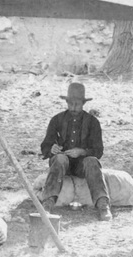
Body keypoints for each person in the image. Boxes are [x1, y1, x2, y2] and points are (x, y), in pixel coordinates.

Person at [40, 82, 112, 221]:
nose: (73, 107)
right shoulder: (56, 120)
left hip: (82, 166)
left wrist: (82, 152)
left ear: (83, 104)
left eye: (77, 104)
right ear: (66, 102)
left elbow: (98, 151)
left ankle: (103, 205)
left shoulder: (92, 122)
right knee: (60, 158)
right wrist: (52, 149)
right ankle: (47, 204)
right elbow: (45, 146)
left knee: (92, 161)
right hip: (62, 165)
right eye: (70, 104)